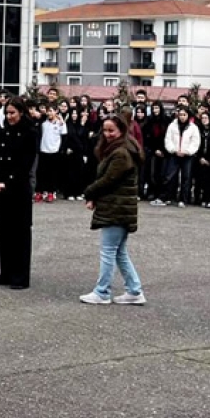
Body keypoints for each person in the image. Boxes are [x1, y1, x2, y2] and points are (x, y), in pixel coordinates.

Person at [79, 115, 147, 305]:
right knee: (118, 252)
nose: (107, 134)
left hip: (116, 208)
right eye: (105, 130)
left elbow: (108, 180)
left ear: (121, 131)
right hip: (119, 206)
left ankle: (102, 291)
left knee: (109, 251)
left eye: (111, 131)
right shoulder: (122, 150)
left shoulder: (121, 153)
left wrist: (89, 192)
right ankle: (134, 290)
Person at [0, 99, 37, 290]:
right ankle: (6, 271)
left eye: (13, 113)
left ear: (21, 112)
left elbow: (25, 164)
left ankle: (20, 275)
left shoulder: (30, 132)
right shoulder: (3, 132)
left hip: (18, 188)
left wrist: (7, 182)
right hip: (2, 187)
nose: (9, 117)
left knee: (20, 234)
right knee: (4, 232)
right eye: (7, 113)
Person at [154, 107, 199, 207]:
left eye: (184, 115)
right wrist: (174, 150)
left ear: (188, 116)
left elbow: (195, 142)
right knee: (168, 176)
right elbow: (168, 139)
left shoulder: (193, 127)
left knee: (186, 178)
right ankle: (165, 197)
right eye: (180, 115)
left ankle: (183, 199)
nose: (182, 117)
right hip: (174, 154)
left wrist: (187, 151)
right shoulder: (172, 126)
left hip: (187, 155)